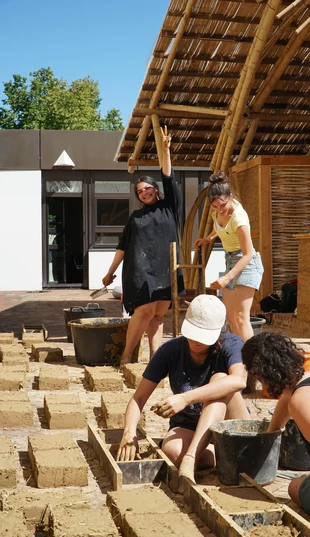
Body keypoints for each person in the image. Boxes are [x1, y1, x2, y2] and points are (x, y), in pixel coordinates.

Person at [117, 294, 249, 484]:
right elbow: (138, 399)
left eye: (204, 336)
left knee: (220, 380)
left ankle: (192, 459)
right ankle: (222, 454)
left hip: (230, 422)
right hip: (190, 426)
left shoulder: (231, 344)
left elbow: (239, 381)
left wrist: (185, 398)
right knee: (171, 451)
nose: (196, 341)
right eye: (194, 333)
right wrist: (129, 432)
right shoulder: (170, 351)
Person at [102, 126, 184, 365]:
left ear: (155, 190)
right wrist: (109, 272)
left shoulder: (169, 207)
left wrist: (166, 151)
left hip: (166, 270)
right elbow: (122, 247)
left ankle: (154, 362)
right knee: (145, 312)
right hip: (140, 271)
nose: (144, 192)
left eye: (147, 188)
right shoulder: (135, 218)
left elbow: (168, 176)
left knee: (158, 317)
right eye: (140, 191)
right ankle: (127, 355)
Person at [242, 332, 310, 522]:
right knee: (300, 484)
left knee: (296, 489)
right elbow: (286, 400)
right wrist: (269, 437)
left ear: (260, 375)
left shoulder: (303, 402)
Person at [193, 171, 263, 341]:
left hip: (246, 264)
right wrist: (208, 238)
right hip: (230, 260)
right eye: (215, 206)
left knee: (241, 318)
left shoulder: (239, 218)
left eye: (223, 205)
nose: (220, 211)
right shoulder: (217, 212)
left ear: (230, 197)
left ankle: (253, 362)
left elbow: (247, 254)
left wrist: (227, 277)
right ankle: (236, 359)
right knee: (230, 319)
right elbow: (220, 227)